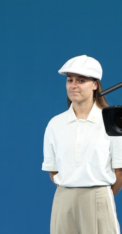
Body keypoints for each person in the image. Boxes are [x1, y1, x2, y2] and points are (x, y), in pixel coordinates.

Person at [42, 55, 122, 234]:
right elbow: (53, 170)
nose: (73, 85)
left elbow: (120, 172)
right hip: (63, 199)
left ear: (95, 85)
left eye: (81, 80)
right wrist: (71, 189)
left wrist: (99, 196)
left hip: (98, 197)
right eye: (70, 80)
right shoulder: (56, 124)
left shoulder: (111, 121)